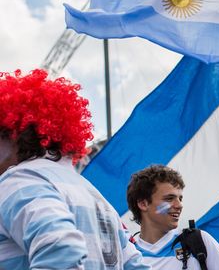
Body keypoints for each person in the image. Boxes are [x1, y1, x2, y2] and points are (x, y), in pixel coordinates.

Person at [0, 69, 150, 269]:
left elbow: (60, 248)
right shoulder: (93, 194)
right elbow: (135, 264)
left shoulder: (18, 182)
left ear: (15, 135)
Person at [126, 164, 219, 269]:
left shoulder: (199, 241)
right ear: (143, 204)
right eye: (169, 198)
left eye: (180, 199)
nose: (179, 205)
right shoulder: (126, 253)